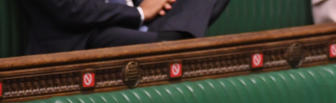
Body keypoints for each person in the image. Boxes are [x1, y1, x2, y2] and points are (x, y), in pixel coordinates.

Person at [19, 0, 231, 54]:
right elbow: (72, 11)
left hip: (134, 22)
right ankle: (175, 42)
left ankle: (175, 39)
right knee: (174, 45)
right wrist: (140, 13)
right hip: (84, 37)